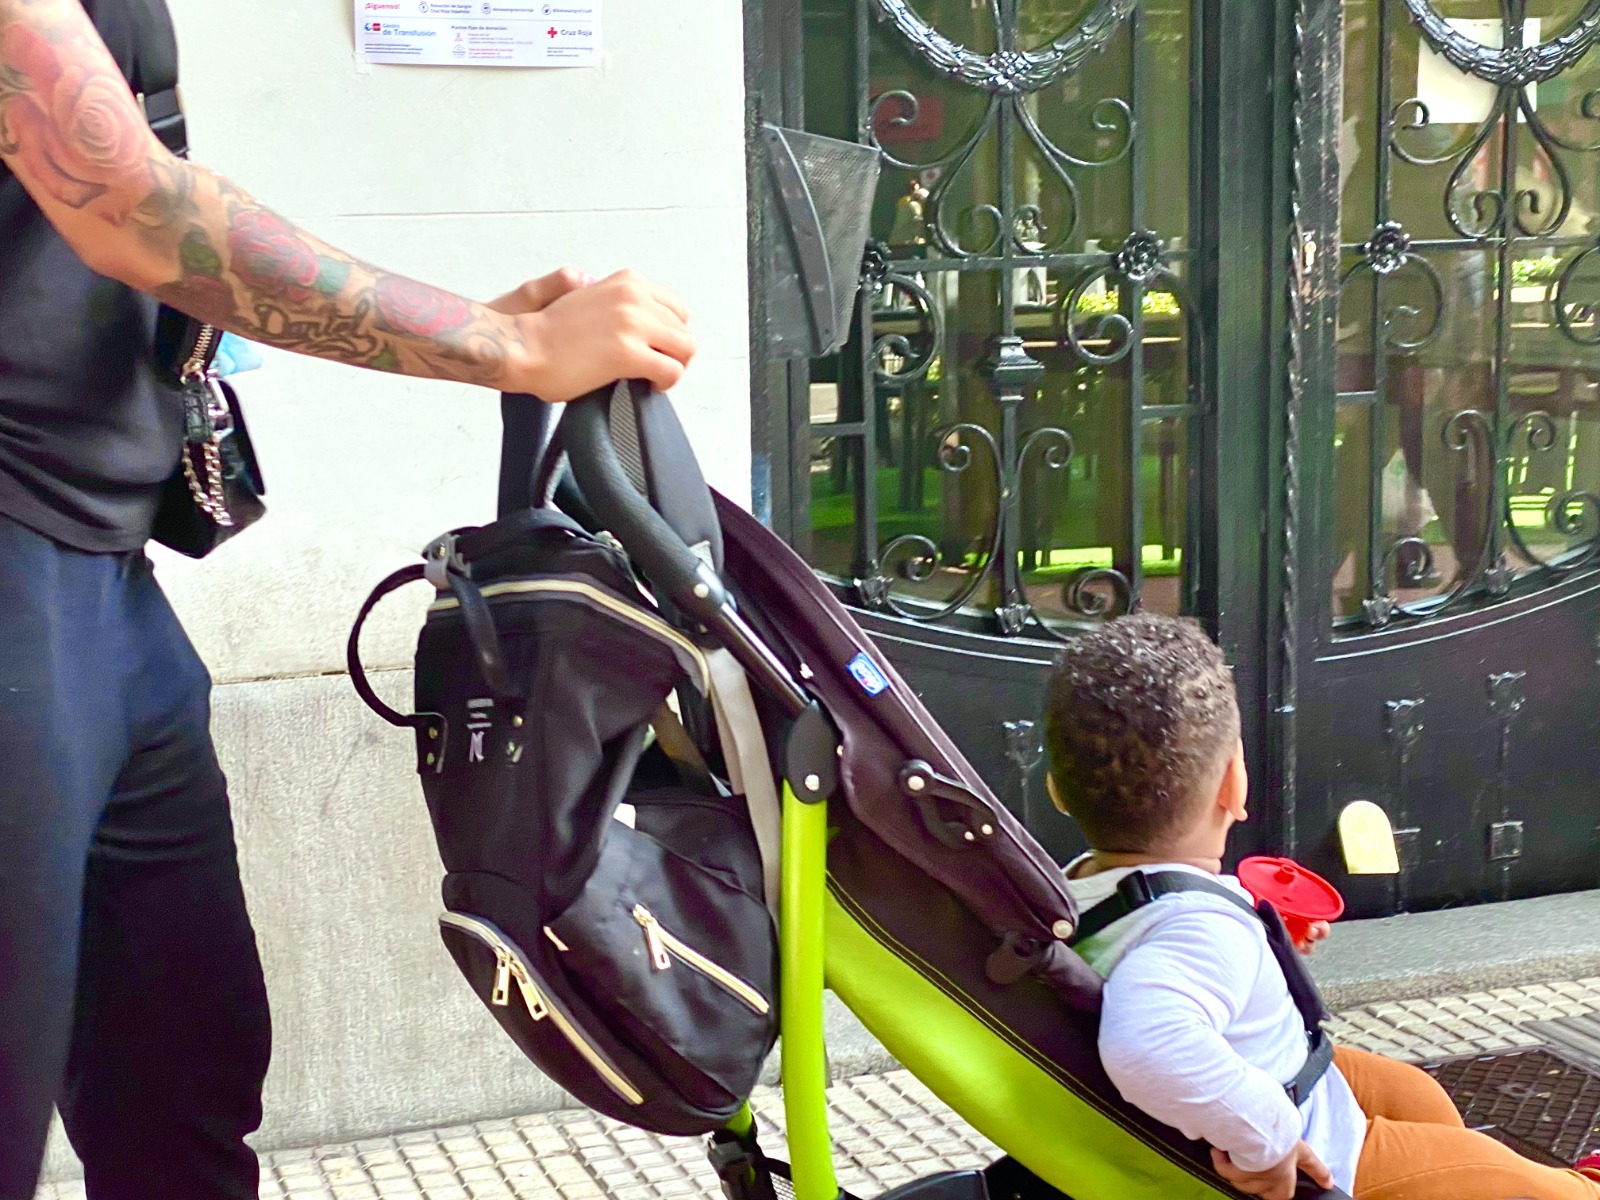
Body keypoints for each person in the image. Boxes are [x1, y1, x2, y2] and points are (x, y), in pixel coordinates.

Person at [0, 0, 697, 1195]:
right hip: (21, 578)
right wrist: (499, 346)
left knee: (183, 1085)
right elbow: (128, 203)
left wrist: (477, 327)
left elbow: (149, 174)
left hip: (105, 583)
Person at [1043, 612, 1600, 1200]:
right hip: (1325, 1153)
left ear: (1055, 790)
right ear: (1236, 783)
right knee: (1533, 1186)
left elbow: (1169, 958)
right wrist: (1271, 1136)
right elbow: (1146, 1044)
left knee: (1415, 1095)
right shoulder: (1202, 934)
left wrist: (1260, 940)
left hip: (1293, 1079)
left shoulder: (1079, 887)